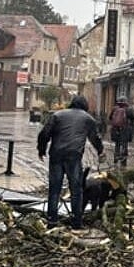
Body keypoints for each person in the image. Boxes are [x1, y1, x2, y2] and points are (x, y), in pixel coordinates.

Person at [37, 96, 103, 228]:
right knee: (76, 190)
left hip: (56, 155)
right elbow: (94, 138)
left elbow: (44, 133)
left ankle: (52, 221)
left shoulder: (57, 115)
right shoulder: (88, 119)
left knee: (54, 189)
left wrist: (41, 150)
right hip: (74, 156)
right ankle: (76, 222)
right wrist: (100, 151)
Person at [108, 96, 134, 167]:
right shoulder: (128, 109)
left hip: (116, 130)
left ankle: (115, 159)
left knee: (117, 145)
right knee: (124, 145)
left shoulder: (115, 109)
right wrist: (130, 126)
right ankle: (123, 162)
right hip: (125, 130)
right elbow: (133, 118)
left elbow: (110, 117)